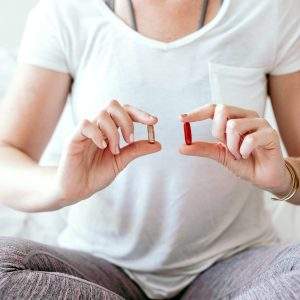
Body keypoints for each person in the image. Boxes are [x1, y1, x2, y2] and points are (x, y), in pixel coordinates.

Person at [0, 0, 300, 299]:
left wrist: (284, 176)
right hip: (102, 270)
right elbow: (6, 154)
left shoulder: (270, 10)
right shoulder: (65, 13)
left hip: (231, 265)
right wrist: (59, 186)